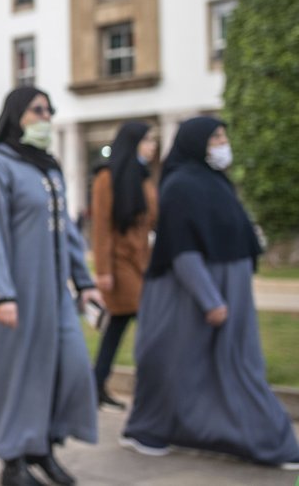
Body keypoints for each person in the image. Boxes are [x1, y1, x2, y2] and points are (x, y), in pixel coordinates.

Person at [120, 117, 299, 469]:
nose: (222, 142)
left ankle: (161, 430)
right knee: (185, 367)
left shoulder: (214, 182)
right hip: (191, 296)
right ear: (196, 141)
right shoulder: (180, 186)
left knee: (223, 367)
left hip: (224, 291)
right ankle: (273, 443)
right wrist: (210, 299)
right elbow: (183, 249)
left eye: (222, 136)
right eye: (215, 137)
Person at [0, 86, 101, 486]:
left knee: (71, 369)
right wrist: (2, 294)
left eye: (49, 111)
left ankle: (42, 446)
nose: (46, 117)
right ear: (16, 115)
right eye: (37, 110)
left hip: (55, 295)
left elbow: (68, 234)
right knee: (15, 378)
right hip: (11, 292)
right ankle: (13, 461)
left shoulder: (49, 167)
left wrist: (85, 282)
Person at [90, 122, 157, 410]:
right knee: (150, 326)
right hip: (119, 265)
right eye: (147, 140)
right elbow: (101, 227)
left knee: (116, 327)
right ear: (133, 143)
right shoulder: (107, 178)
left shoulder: (143, 178)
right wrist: (103, 270)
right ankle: (152, 390)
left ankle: (96, 383)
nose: (152, 146)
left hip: (141, 262)